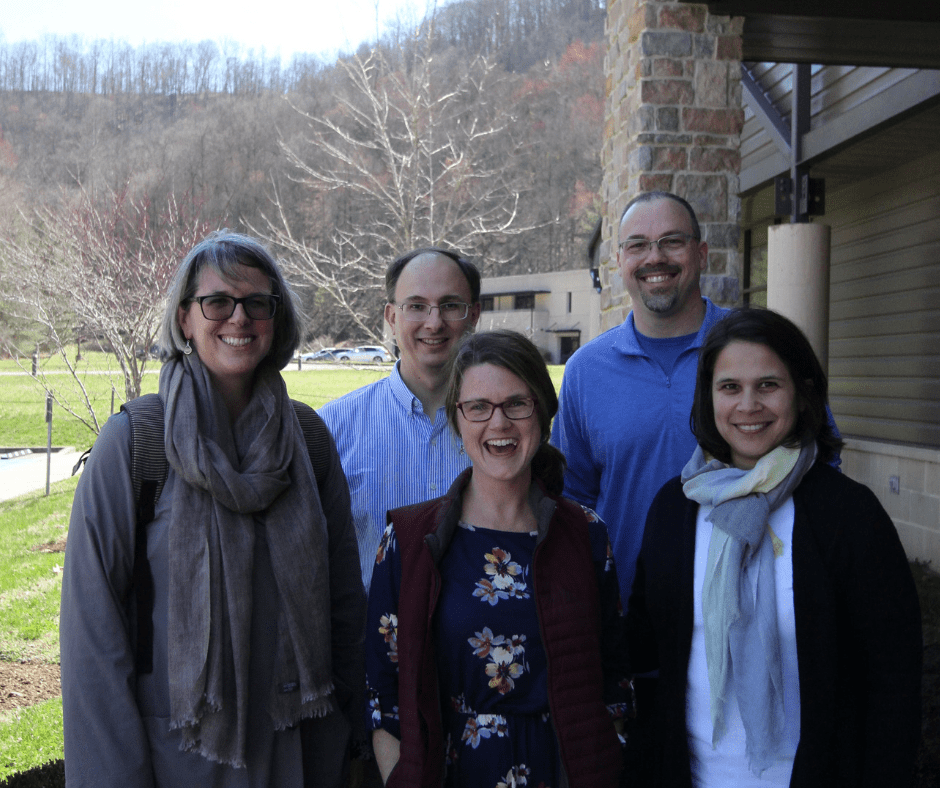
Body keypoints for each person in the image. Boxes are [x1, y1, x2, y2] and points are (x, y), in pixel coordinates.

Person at [61, 231, 366, 787]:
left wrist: (344, 742)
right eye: (218, 302)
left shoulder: (308, 441)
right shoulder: (136, 444)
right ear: (184, 318)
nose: (239, 318)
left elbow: (344, 608)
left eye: (257, 303)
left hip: (299, 755)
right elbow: (92, 638)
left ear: (276, 319)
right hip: (175, 759)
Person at [625, 307, 922, 787]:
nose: (748, 405)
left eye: (768, 385)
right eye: (730, 387)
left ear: (802, 393)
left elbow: (894, 681)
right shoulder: (675, 508)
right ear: (708, 396)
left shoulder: (849, 515)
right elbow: (644, 648)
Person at [365, 330, 628, 788]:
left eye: (516, 404)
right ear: (457, 418)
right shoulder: (409, 541)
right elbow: (384, 698)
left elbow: (615, 686)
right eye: (478, 407)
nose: (498, 422)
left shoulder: (586, 534)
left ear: (542, 413)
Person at [319, 247, 481, 591]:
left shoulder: (505, 431)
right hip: (370, 625)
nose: (434, 322)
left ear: (474, 315)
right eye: (416, 306)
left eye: (450, 305)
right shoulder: (332, 429)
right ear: (391, 317)